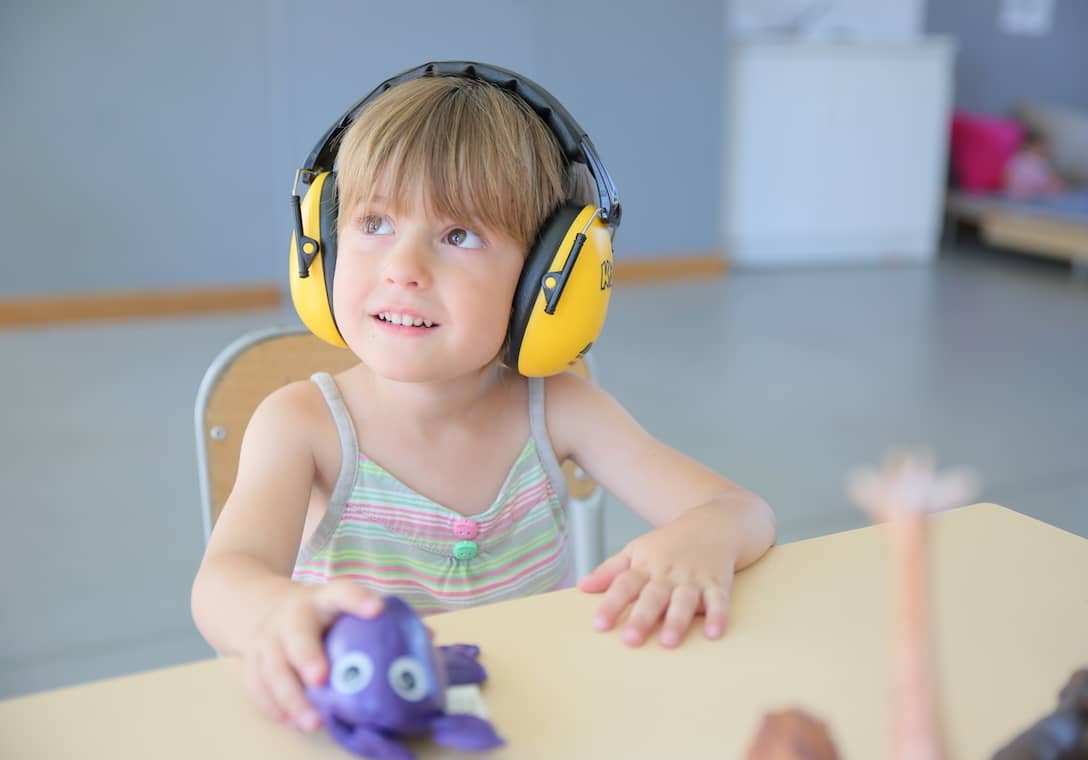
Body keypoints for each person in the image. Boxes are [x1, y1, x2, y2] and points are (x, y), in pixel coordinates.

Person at [191, 62, 776, 733]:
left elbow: (741, 511)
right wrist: (272, 614)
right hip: (363, 728)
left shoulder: (561, 410)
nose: (402, 269)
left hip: (538, 720)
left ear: (546, 279)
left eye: (457, 235)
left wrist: (705, 535)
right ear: (319, 245)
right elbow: (222, 581)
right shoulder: (302, 426)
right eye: (374, 222)